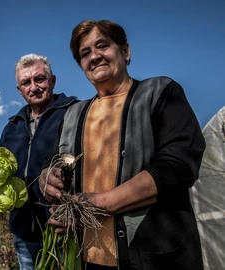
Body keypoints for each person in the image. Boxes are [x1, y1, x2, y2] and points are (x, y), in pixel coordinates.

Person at [39, 20, 205, 270]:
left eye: (102, 46)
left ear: (125, 52)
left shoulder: (159, 92)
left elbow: (179, 163)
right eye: (85, 54)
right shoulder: (73, 115)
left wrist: (102, 203)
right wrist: (46, 179)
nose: (94, 56)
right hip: (88, 259)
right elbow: (54, 163)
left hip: (153, 257)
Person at [0, 53, 78, 269]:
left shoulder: (74, 112)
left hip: (65, 229)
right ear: (19, 89)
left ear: (52, 81)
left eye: (40, 79)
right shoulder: (12, 127)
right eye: (26, 82)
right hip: (25, 234)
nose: (34, 87)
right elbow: (3, 176)